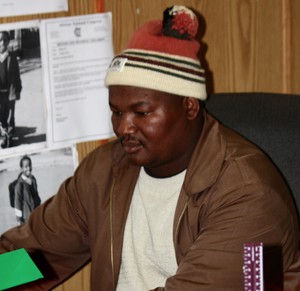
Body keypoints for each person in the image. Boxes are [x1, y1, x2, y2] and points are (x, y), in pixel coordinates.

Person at [0, 5, 299, 290]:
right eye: (116, 112)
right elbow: (39, 259)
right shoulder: (104, 173)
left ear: (190, 107)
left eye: (141, 113)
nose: (122, 128)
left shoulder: (250, 196)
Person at [0, 30, 22, 142]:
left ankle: (10, 133)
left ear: (8, 42)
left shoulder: (11, 57)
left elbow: (17, 74)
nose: (2, 43)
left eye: (5, 40)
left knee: (10, 113)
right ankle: (2, 132)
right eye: (0, 40)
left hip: (10, 91)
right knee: (1, 113)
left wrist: (18, 89)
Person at [14, 155, 41, 224]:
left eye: (30, 165)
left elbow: (36, 196)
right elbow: (17, 203)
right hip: (26, 219)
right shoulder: (19, 185)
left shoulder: (33, 179)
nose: (28, 168)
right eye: (26, 167)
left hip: (36, 215)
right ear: (21, 169)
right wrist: (19, 221)